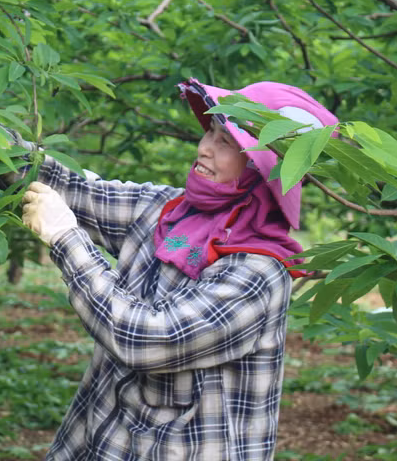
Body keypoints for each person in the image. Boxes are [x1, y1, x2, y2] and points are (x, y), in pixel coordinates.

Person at [17, 78, 339, 461]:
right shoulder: (166, 211)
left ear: (261, 168)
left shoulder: (257, 274)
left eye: (226, 142)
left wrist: (67, 239)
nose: (204, 148)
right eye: (211, 132)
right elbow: (71, 188)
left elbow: (146, 339)